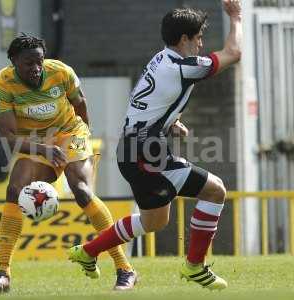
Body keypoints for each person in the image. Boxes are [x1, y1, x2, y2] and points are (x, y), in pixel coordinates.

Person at [68, 0, 242, 291]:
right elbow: (234, 53)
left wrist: (169, 123)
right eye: (198, 38)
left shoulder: (160, 59)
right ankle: (195, 267)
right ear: (184, 39)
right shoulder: (182, 66)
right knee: (216, 190)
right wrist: (236, 17)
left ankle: (88, 252)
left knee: (154, 221)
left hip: (135, 149)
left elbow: (150, 101)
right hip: (145, 153)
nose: (201, 44)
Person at [0, 33, 137, 293]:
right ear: (13, 62)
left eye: (39, 62)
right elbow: (9, 138)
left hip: (71, 133)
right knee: (14, 189)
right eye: (27, 63)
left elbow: (80, 104)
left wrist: (81, 141)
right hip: (35, 141)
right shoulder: (2, 85)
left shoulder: (62, 72)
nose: (35, 69)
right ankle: (3, 273)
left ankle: (125, 269)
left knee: (81, 190)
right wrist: (44, 149)